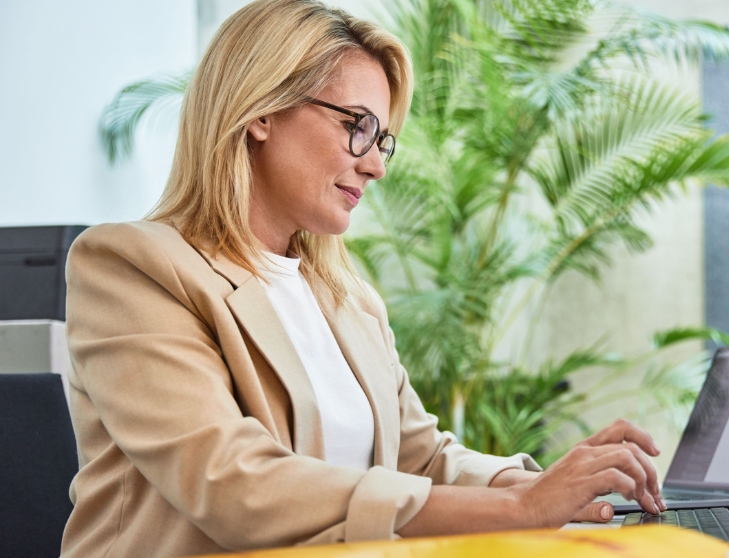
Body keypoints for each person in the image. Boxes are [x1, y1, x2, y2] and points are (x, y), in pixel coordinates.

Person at [60, 1, 664, 556]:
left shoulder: (349, 301)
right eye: (357, 125)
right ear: (262, 111)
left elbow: (419, 458)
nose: (374, 164)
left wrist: (543, 484)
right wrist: (519, 507)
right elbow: (231, 484)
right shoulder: (133, 266)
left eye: (383, 140)